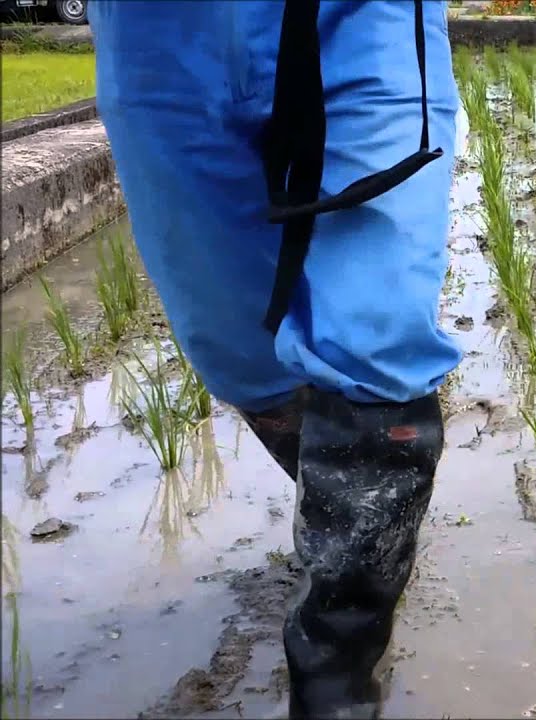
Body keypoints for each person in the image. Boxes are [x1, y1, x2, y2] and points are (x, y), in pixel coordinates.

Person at [87, 1, 460, 718]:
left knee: (377, 338)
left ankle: (335, 683)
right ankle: (345, 518)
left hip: (360, 15)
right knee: (237, 348)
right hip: (159, 31)